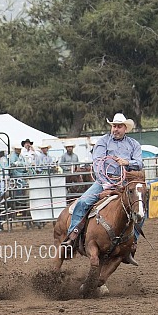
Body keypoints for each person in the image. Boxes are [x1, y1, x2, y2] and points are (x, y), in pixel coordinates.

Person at [61, 113, 142, 265]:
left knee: (140, 209)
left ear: (125, 128)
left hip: (124, 184)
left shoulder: (133, 144)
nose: (115, 129)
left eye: (119, 126)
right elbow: (97, 164)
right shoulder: (103, 142)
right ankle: (72, 238)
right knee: (82, 202)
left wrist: (127, 162)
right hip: (103, 182)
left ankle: (131, 244)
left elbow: (139, 163)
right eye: (114, 126)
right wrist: (105, 184)